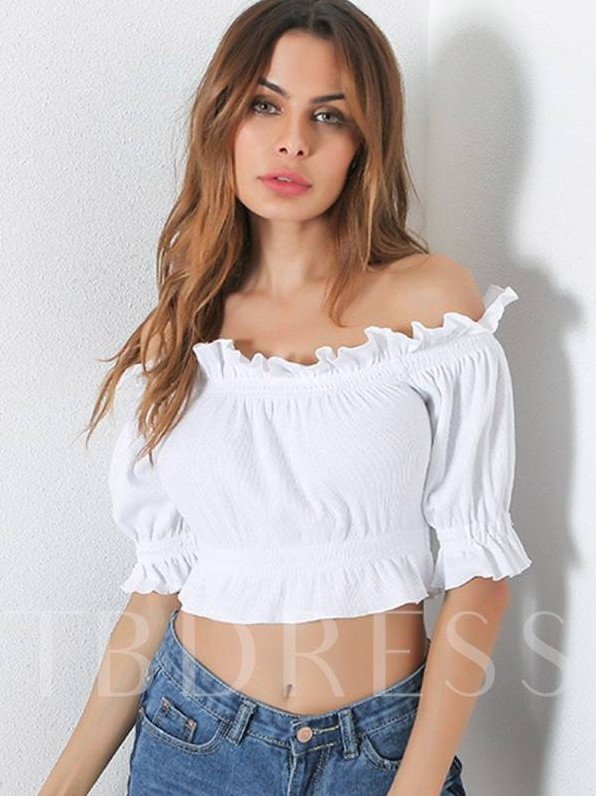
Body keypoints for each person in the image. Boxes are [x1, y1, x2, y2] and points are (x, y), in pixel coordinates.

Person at [40, 1, 532, 794]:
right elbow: (157, 586)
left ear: (363, 143)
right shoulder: (180, 333)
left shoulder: (430, 308)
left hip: (379, 754)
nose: (293, 140)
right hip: (192, 741)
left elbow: (481, 577)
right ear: (223, 122)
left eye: (328, 115)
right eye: (265, 105)